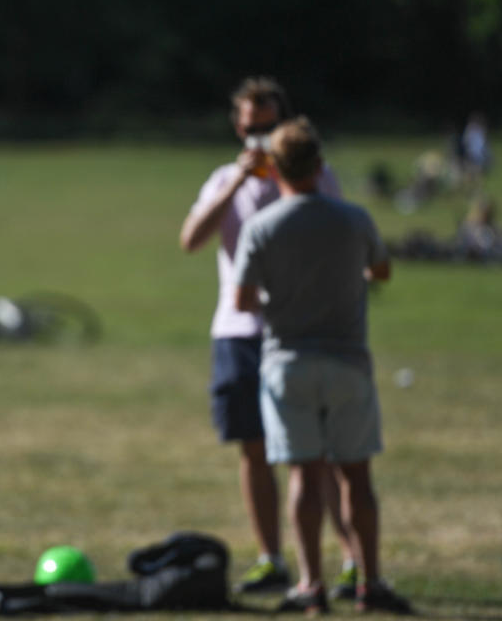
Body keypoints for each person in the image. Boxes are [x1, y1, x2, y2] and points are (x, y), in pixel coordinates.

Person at [178, 77, 356, 596]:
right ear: (238, 127)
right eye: (251, 128)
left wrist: (284, 178)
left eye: (269, 128)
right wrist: (237, 182)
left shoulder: (315, 178)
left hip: (300, 330)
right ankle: (271, 557)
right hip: (238, 333)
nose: (259, 138)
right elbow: (191, 239)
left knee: (317, 454)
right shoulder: (223, 179)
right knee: (253, 450)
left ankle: (347, 562)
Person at [233, 117, 410, 614]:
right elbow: (382, 270)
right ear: (319, 165)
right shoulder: (353, 219)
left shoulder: (261, 227)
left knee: (304, 479)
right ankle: (369, 581)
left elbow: (244, 300)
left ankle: (310, 583)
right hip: (348, 359)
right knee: (357, 478)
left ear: (273, 169)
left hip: (287, 362)